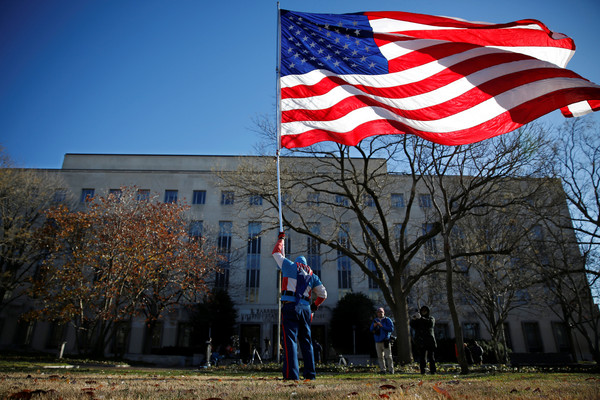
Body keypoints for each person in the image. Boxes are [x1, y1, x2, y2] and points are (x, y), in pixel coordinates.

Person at [272, 231, 327, 380]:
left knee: (290, 342)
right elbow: (323, 294)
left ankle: (292, 375)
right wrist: (314, 306)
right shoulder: (312, 275)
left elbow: (276, 254)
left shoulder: (290, 266)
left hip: (290, 306)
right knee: (306, 342)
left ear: (297, 262)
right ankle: (310, 374)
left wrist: (281, 239)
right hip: (305, 309)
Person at [410, 305, 437, 374]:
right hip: (421, 341)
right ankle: (423, 371)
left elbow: (430, 324)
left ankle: (433, 371)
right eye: (422, 311)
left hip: (429, 340)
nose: (424, 312)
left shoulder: (431, 318)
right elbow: (412, 325)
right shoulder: (418, 320)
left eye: (425, 311)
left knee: (431, 357)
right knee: (422, 357)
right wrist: (414, 319)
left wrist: (421, 318)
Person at [370, 307, 395, 374]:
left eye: (381, 312)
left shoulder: (387, 320)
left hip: (385, 340)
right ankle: (382, 370)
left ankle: (390, 370)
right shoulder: (375, 320)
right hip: (377, 341)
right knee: (380, 357)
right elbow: (371, 329)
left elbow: (391, 329)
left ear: (384, 312)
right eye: (378, 312)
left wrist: (382, 326)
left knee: (388, 356)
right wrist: (374, 326)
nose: (380, 313)